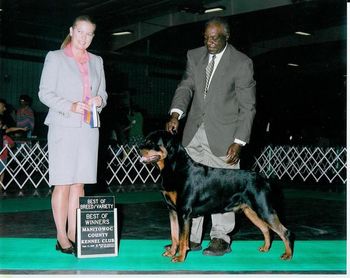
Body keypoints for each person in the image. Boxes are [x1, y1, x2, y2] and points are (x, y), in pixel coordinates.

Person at [165, 17, 256, 256]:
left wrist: (239, 141)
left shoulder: (241, 62)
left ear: (227, 36)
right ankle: (191, 239)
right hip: (193, 134)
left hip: (225, 136)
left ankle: (220, 238)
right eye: (206, 37)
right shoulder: (194, 56)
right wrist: (176, 114)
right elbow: (185, 87)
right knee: (189, 189)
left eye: (215, 38)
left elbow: (248, 107)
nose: (210, 42)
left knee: (223, 188)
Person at [38, 15, 108, 254]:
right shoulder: (55, 58)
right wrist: (70, 105)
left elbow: (104, 94)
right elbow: (44, 93)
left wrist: (99, 101)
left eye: (89, 34)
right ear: (71, 30)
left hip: (89, 128)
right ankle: (61, 236)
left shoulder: (97, 61)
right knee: (63, 183)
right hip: (64, 126)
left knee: (79, 185)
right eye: (80, 32)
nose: (84, 38)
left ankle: (73, 234)